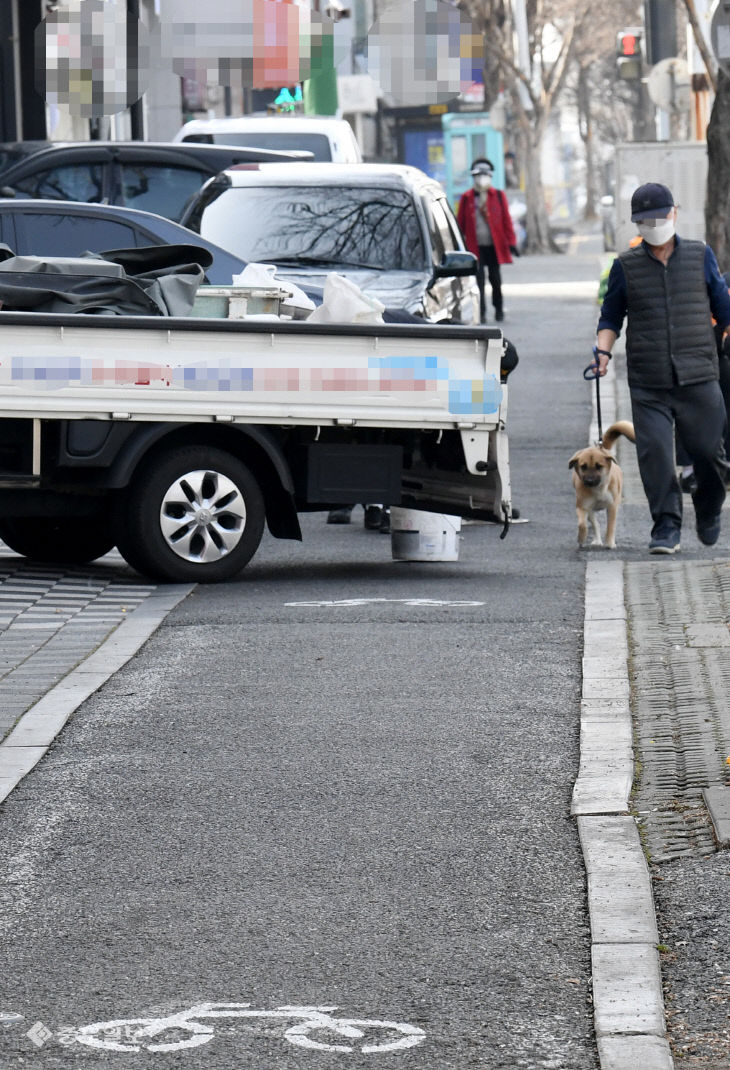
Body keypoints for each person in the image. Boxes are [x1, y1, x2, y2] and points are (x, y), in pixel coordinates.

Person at [595, 181, 730, 555]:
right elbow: (610, 317)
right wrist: (602, 354)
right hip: (649, 379)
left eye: (659, 216)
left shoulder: (701, 256)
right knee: (655, 454)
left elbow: (724, 308)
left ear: (674, 214)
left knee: (709, 453)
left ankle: (707, 506)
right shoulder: (625, 266)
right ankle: (666, 526)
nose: (654, 224)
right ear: (636, 224)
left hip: (699, 374)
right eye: (645, 220)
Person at [456, 158, 519, 323]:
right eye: (478, 175)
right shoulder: (467, 198)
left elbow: (506, 220)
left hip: (494, 246)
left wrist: (511, 242)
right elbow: (459, 224)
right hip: (475, 247)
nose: (481, 179)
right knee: (478, 281)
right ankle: (481, 312)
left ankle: (499, 309)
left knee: (495, 279)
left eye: (485, 175)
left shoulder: (498, 196)